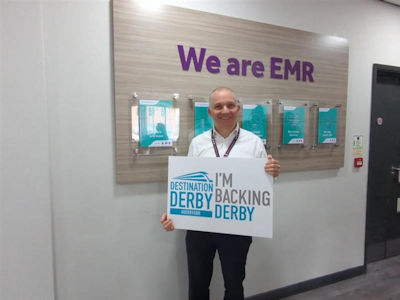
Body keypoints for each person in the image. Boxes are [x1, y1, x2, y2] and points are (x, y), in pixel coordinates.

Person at [161, 87, 280, 300]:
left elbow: (262, 184)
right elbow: (187, 182)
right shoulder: (198, 143)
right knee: (197, 284)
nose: (225, 110)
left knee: (234, 285)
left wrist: (272, 172)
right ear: (209, 112)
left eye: (230, 105)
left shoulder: (254, 143)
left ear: (239, 108)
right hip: (201, 227)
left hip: (237, 228)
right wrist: (173, 213)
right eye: (218, 106)